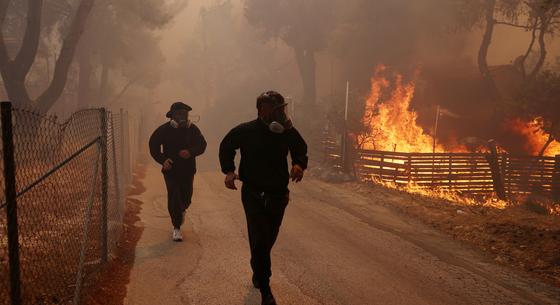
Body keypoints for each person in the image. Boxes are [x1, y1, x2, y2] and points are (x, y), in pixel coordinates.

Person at [219, 91, 308, 305]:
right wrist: (229, 171)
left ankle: (257, 267)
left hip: (278, 195)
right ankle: (265, 290)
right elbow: (226, 146)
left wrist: (298, 165)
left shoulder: (286, 132)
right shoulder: (246, 131)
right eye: (275, 109)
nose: (279, 113)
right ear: (261, 110)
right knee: (259, 238)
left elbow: (300, 149)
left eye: (281, 109)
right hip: (253, 194)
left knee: (267, 239)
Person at [149, 102, 207, 242]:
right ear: (172, 116)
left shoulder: (193, 129)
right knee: (174, 196)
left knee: (186, 197)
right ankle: (176, 228)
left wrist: (191, 152)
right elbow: (153, 146)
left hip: (188, 170)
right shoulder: (163, 130)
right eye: (179, 114)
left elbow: (202, 145)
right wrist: (163, 160)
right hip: (171, 170)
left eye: (185, 114)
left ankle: (181, 210)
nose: (182, 117)